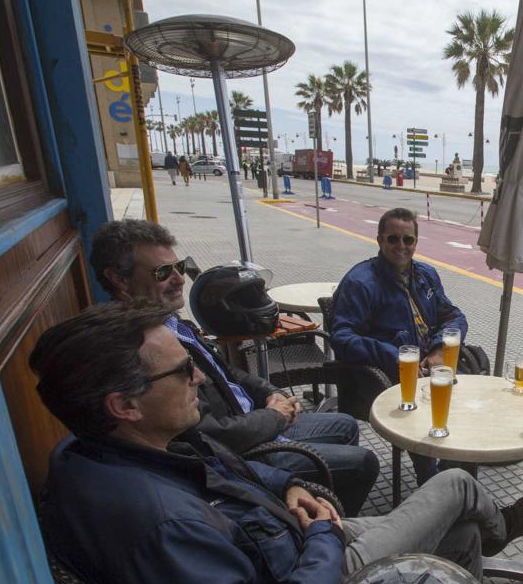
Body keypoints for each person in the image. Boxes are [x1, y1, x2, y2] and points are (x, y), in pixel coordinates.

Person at [32, 302, 523, 584]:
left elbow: (236, 472)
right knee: (454, 487)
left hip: (292, 545)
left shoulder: (116, 447)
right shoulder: (155, 524)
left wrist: (292, 487)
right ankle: (489, 565)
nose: (201, 378)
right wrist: (323, 538)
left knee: (462, 531)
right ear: (123, 404)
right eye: (184, 370)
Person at [90, 220, 379, 517]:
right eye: (163, 272)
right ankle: (331, 526)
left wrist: (272, 392)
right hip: (242, 451)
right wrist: (274, 418)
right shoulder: (143, 347)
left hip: (253, 421)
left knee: (344, 423)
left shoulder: (175, 324)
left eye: (180, 267)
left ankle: (331, 506)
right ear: (119, 280)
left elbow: (227, 373)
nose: (179, 279)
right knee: (364, 462)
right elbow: (206, 434)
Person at [330, 207, 467, 483]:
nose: (401, 246)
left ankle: (452, 473)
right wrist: (394, 355)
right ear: (379, 240)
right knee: (420, 412)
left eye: (408, 240)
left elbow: (454, 315)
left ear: (416, 242)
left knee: (465, 403)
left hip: (429, 367)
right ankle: (430, 483)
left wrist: (439, 349)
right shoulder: (360, 282)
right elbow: (341, 337)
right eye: (393, 239)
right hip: (383, 377)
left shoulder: (426, 274)